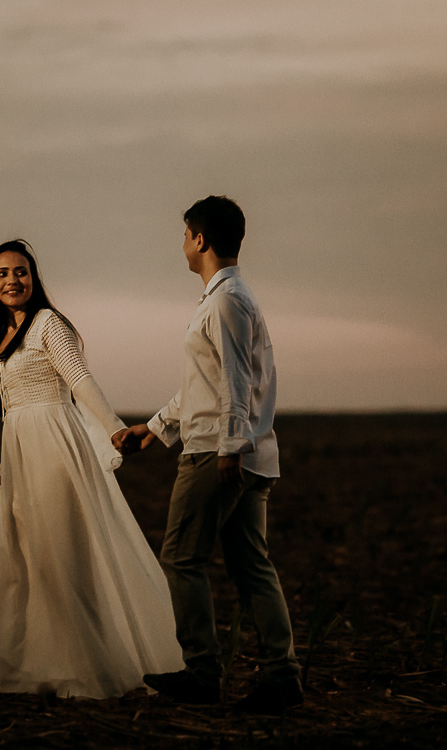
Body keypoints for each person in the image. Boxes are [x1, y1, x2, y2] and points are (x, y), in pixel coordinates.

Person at [0, 239, 184, 699]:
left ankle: (92, 672)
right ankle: (21, 665)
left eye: (21, 272)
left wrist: (115, 428)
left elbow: (79, 380)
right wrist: (3, 469)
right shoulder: (3, 336)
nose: (12, 280)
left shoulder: (47, 324)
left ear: (34, 279)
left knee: (61, 563)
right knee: (13, 559)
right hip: (20, 459)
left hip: (55, 452)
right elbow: (11, 411)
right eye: (2, 273)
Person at [114, 196, 304, 713]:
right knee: (250, 567)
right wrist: (153, 429)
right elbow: (206, 385)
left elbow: (236, 385)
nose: (182, 244)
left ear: (199, 240)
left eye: (185, 235)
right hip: (241, 453)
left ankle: (202, 672)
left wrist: (228, 449)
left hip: (216, 455)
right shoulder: (231, 299)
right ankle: (281, 676)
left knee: (180, 559)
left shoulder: (225, 302)